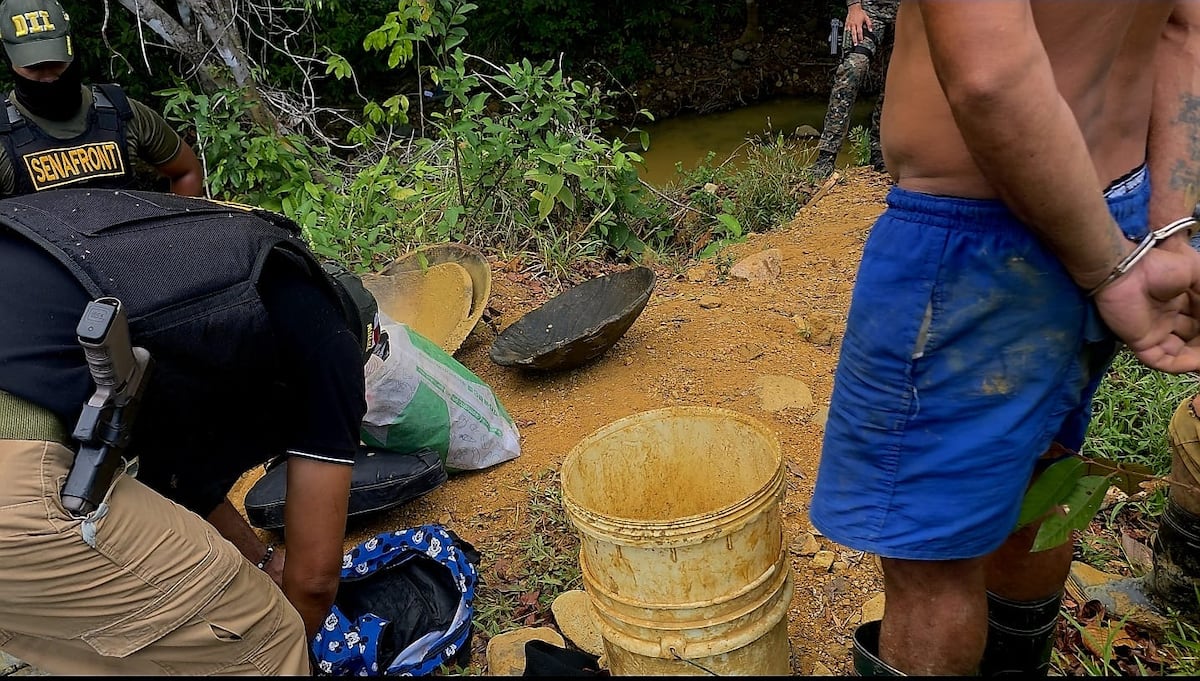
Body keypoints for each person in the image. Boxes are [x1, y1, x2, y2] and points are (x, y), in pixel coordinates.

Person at [809, 0, 1200, 676]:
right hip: (1118, 202)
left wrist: (1110, 270)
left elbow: (990, 74)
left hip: (975, 244)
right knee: (1038, 473)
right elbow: (1185, 24)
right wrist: (1166, 237)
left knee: (930, 563)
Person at [0, 188, 375, 674]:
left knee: (136, 641)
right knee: (263, 634)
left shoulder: (179, 259)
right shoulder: (329, 341)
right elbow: (316, 582)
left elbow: (175, 480)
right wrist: (293, 637)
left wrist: (260, 562)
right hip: (16, 474)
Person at [0, 0, 203, 197]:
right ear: (9, 61)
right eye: (33, 67)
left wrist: (175, 231)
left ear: (72, 48)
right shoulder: (4, 137)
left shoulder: (122, 113)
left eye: (56, 62)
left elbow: (187, 172)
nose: (48, 76)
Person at [810, 0, 899, 180]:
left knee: (896, 80)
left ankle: (880, 151)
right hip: (869, 10)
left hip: (908, 15)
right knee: (852, 69)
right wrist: (854, 7)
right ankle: (826, 156)